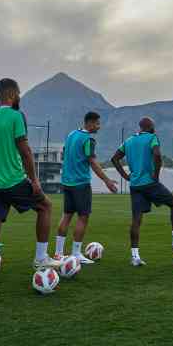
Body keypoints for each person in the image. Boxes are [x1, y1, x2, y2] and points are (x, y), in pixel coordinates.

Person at [0, 78, 61, 304]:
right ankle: (41, 258)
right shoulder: (16, 116)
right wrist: (34, 180)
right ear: (12, 94)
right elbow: (25, 151)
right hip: (13, 181)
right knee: (45, 206)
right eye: (18, 94)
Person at [111, 117, 173, 267]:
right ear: (149, 127)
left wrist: (125, 176)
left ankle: (135, 257)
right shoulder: (152, 138)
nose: (155, 128)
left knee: (136, 220)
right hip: (149, 183)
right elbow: (157, 155)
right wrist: (156, 174)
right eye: (153, 126)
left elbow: (115, 158)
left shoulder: (128, 141)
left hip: (135, 186)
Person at [54, 112, 119, 262]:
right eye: (97, 123)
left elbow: (65, 152)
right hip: (80, 183)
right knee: (83, 218)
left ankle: (58, 253)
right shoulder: (88, 139)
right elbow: (93, 162)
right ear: (89, 123)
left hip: (67, 182)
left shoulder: (71, 134)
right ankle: (76, 254)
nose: (99, 126)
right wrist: (107, 180)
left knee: (66, 216)